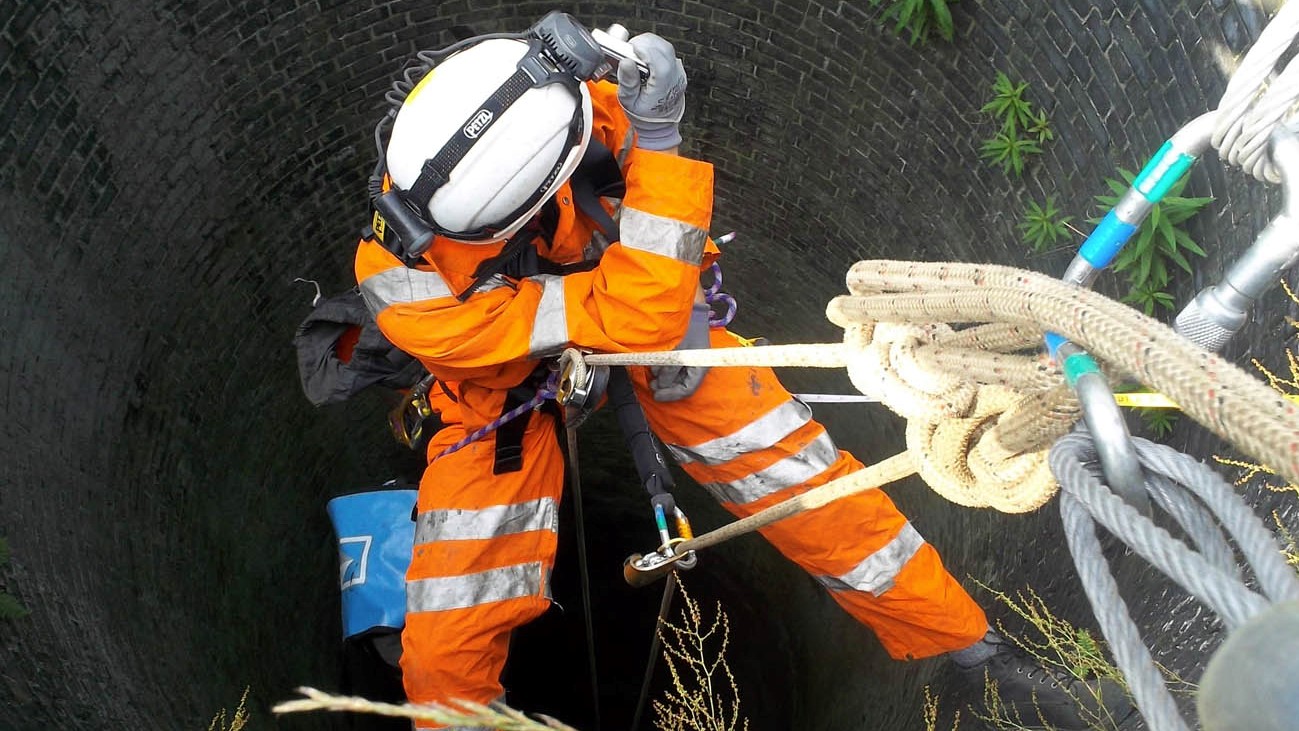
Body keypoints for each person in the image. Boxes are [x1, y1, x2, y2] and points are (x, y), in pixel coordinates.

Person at [352, 15, 1133, 730]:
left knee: (810, 490)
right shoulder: (412, 291)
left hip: (651, 324)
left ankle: (976, 656)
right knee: (447, 640)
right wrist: (659, 151)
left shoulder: (554, 104)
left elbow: (649, 259)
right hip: (508, 394)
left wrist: (657, 172)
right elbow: (629, 309)